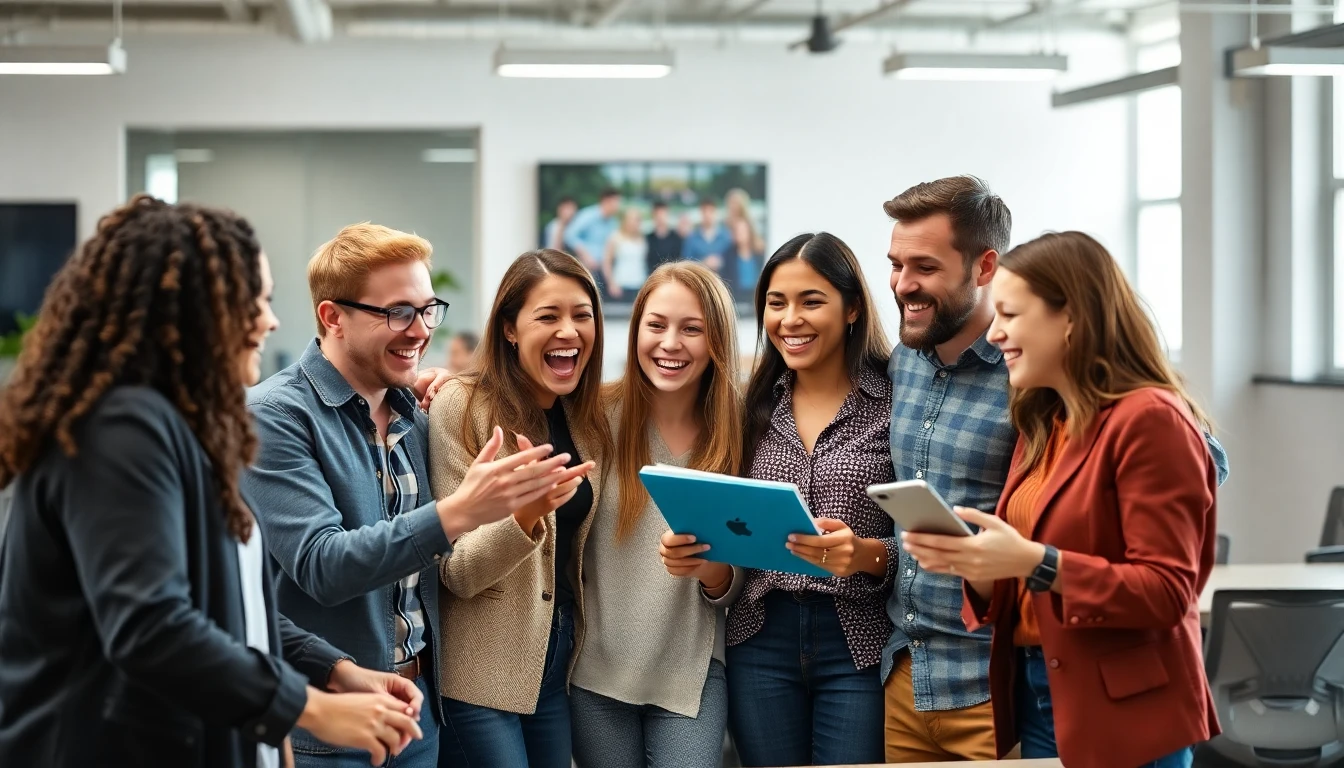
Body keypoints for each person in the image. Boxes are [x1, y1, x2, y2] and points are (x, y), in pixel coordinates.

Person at [0, 196, 427, 767]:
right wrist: (310, 709)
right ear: (192, 310)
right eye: (255, 300)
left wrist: (334, 671)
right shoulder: (119, 428)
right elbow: (151, 627)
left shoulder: (181, 428)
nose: (270, 321)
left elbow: (226, 604)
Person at [879, 176, 1230, 763]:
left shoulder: (1147, 417)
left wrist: (1029, 560)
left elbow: (1170, 588)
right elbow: (1027, 551)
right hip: (1034, 683)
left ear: (1068, 319)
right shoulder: (1046, 416)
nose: (996, 331)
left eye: (1012, 314)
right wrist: (983, 565)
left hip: (1117, 700)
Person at [244, 223, 576, 767]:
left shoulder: (413, 412)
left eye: (428, 310)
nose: (419, 330)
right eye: (398, 312)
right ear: (333, 317)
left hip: (419, 711)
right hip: (327, 725)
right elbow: (323, 564)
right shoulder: (275, 416)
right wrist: (461, 510)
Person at [428, 248, 607, 768]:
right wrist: (525, 514)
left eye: (581, 315)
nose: (569, 331)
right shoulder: (462, 407)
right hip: (478, 674)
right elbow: (456, 571)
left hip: (553, 667)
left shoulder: (585, 417)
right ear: (509, 329)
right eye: (547, 316)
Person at [723, 232, 896, 767]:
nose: (790, 319)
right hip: (759, 635)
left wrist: (867, 553)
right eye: (777, 303)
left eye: (811, 301)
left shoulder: (894, 404)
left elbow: (921, 530)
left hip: (858, 639)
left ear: (851, 309)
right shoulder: (747, 406)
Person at [571, 262, 744, 768]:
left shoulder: (738, 432)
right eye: (656, 325)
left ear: (716, 340)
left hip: (691, 672)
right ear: (635, 330)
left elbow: (737, 580)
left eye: (692, 329)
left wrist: (709, 570)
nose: (671, 343)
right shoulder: (592, 417)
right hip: (594, 673)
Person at [565, 188, 623, 298]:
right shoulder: (588, 215)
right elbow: (569, 235)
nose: (618, 206)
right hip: (586, 268)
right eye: (616, 202)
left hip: (604, 271)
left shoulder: (613, 222)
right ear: (606, 201)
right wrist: (585, 254)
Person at [603, 207, 651, 301]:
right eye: (631, 219)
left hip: (639, 284)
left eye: (637, 219)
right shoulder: (615, 237)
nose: (634, 222)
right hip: (620, 285)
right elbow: (606, 262)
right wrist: (611, 283)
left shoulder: (643, 238)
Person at [681, 199, 733, 272]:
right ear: (701, 213)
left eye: (711, 211)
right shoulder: (691, 238)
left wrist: (720, 262)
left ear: (715, 212)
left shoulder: (726, 236)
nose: (708, 215)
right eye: (705, 211)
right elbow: (685, 263)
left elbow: (733, 259)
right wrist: (703, 263)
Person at [645, 201, 683, 271]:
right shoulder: (648, 239)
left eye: (662, 214)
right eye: (657, 214)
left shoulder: (676, 238)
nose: (660, 217)